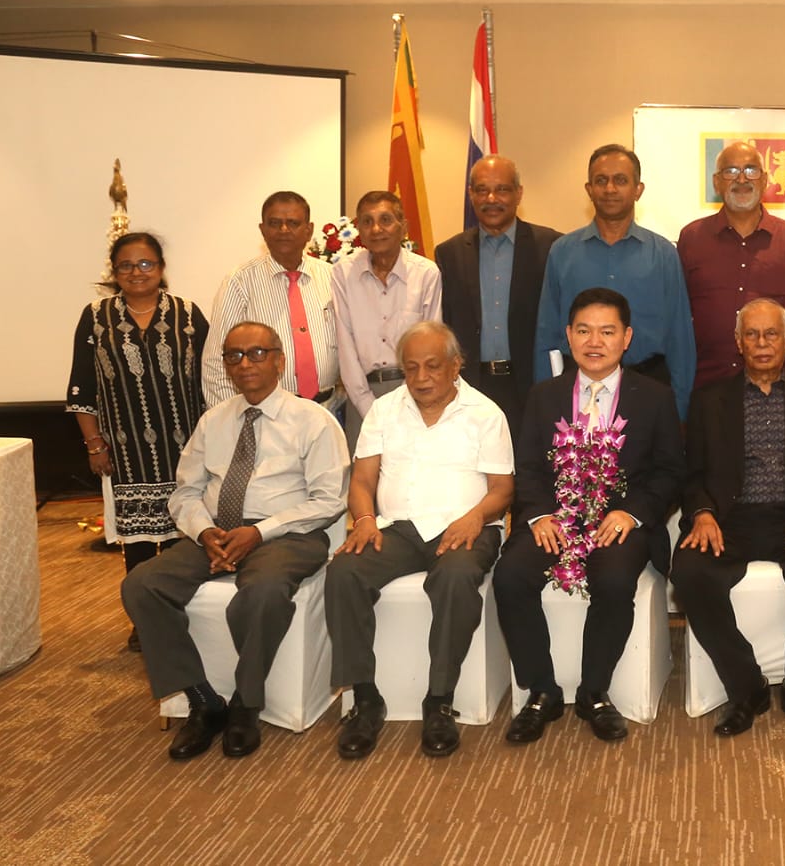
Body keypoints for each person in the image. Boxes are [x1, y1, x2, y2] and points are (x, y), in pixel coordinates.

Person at [121, 322, 348, 760]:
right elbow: (185, 492)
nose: (245, 364)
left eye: (257, 353)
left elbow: (328, 500)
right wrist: (204, 531)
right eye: (234, 356)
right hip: (216, 532)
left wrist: (261, 531)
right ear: (225, 366)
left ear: (279, 361)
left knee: (261, 592)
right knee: (142, 585)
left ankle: (246, 703)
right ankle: (203, 700)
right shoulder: (214, 421)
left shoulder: (313, 420)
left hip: (287, 533)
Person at [494, 288, 683, 743]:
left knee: (614, 580)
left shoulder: (654, 397)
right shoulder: (544, 396)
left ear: (626, 338)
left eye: (607, 332)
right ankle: (541, 691)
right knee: (510, 576)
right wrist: (539, 515)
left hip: (619, 520)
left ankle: (594, 692)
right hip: (555, 517)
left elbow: (670, 472)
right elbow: (529, 467)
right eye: (583, 331)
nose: (594, 342)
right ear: (568, 336)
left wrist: (631, 513)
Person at [324, 321, 512, 759]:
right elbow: (362, 480)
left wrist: (474, 517)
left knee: (455, 578)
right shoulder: (384, 411)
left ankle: (439, 701)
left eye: (432, 366)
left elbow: (503, 490)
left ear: (456, 365)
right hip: (398, 528)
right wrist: (364, 519)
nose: (422, 377)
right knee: (344, 571)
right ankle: (365, 700)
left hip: (467, 526)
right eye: (411, 368)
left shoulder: (486, 414)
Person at [673, 299, 785, 738]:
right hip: (729, 520)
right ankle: (746, 687)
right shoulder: (709, 401)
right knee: (689, 571)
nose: (762, 343)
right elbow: (692, 475)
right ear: (738, 342)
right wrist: (703, 513)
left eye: (772, 334)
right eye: (752, 334)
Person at [67, 232, 210, 650]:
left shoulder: (187, 314)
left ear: (161, 268)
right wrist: (94, 445)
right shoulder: (96, 317)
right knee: (140, 545)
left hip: (187, 450)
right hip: (127, 453)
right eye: (126, 265)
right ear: (114, 272)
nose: (136, 272)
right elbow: (82, 387)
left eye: (145, 263)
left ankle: (187, 613)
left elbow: (211, 380)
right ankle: (144, 620)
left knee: (186, 536)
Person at [532, 143, 696, 417]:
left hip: (647, 390)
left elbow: (680, 339)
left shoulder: (663, 255)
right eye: (601, 181)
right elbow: (546, 336)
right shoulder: (562, 252)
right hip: (578, 392)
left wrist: (678, 410)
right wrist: (546, 405)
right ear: (589, 190)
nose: (610, 189)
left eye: (620, 180)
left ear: (638, 190)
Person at [677, 140, 785, 389]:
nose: (742, 179)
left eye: (751, 170)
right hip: (707, 387)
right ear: (716, 182)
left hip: (775, 390)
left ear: (765, 180)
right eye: (731, 171)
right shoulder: (692, 238)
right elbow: (677, 323)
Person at [436, 155, 561, 433]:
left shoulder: (551, 246)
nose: (491, 198)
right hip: (470, 386)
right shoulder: (449, 253)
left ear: (519, 193)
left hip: (530, 385)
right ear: (471, 194)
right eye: (482, 190)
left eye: (502, 189)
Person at [202, 191, 340, 409]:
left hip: (330, 408)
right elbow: (216, 362)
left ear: (309, 230)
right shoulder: (239, 282)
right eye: (275, 223)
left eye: (293, 223)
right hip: (265, 411)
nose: (283, 230)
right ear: (263, 230)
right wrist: (235, 419)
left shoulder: (333, 277)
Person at [330, 190, 442, 422]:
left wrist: (402, 405)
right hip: (361, 396)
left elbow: (431, 344)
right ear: (359, 229)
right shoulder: (343, 274)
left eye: (385, 220)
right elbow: (345, 345)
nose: (376, 229)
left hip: (416, 394)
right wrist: (369, 408)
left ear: (403, 227)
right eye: (367, 222)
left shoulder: (425, 273)